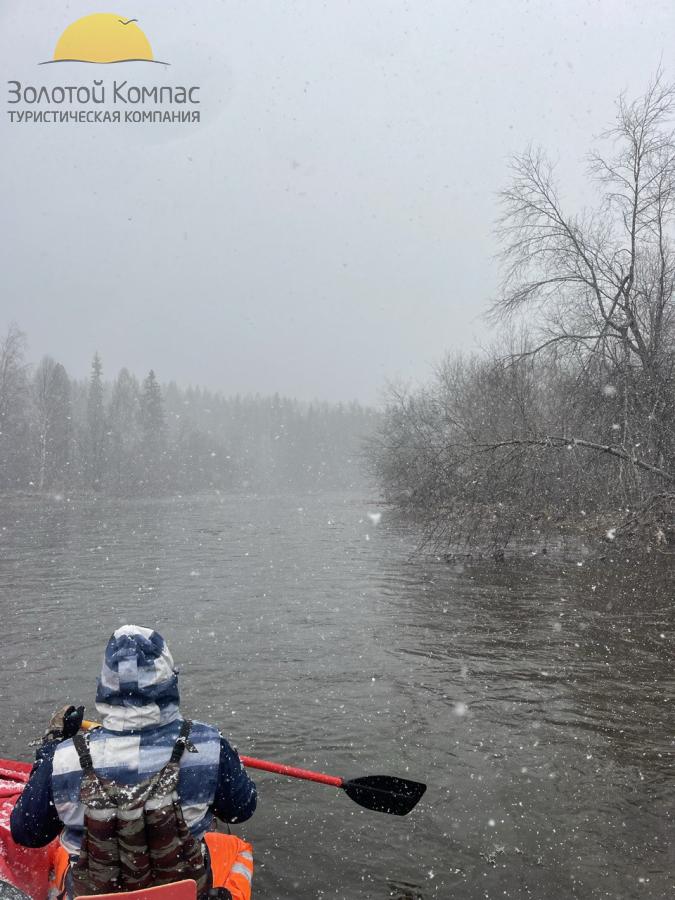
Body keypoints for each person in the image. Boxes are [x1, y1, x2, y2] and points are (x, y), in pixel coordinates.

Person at [10, 625, 256, 900]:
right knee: (236, 851)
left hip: (91, 893)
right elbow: (241, 809)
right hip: (185, 893)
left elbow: (27, 832)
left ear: (105, 684)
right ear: (169, 680)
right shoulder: (208, 743)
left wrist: (52, 746)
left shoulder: (64, 758)